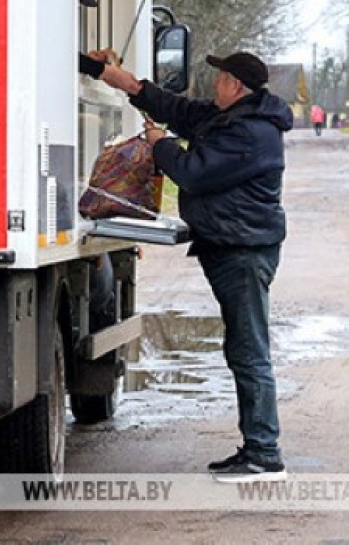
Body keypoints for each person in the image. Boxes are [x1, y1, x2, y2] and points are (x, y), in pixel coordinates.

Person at [91, 48, 293, 483]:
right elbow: (179, 109)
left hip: (244, 252)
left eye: (219, 78)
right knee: (244, 349)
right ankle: (257, 447)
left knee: (249, 351)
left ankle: (264, 453)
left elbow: (193, 172)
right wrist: (129, 84)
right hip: (232, 247)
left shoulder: (251, 134)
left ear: (235, 86)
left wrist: (160, 144)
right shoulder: (231, 118)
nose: (213, 84)